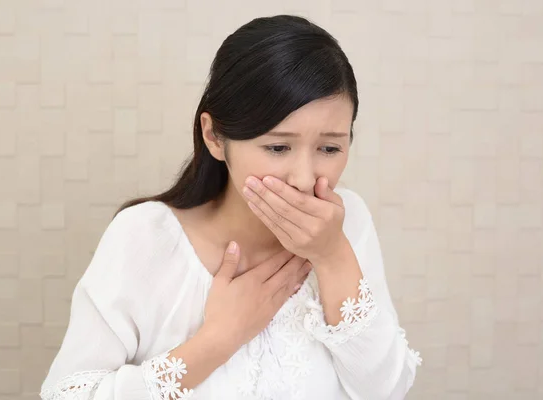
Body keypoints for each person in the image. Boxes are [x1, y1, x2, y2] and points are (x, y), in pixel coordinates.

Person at [40, 14, 421, 400]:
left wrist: (334, 257)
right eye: (277, 147)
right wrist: (218, 340)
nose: (304, 179)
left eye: (329, 148)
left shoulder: (348, 221)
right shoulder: (144, 236)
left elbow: (386, 391)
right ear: (214, 137)